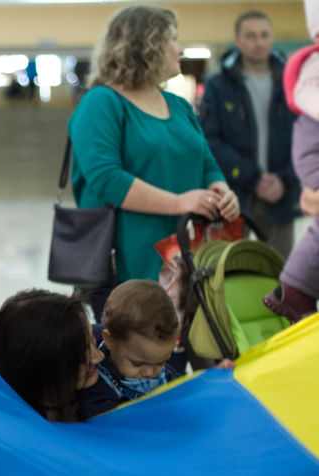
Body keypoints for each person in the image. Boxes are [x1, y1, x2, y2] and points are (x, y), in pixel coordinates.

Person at [68, 5, 239, 317]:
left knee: (192, 350)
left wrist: (221, 191)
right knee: (141, 357)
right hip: (128, 258)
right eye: (173, 39)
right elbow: (106, 179)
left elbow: (206, 162)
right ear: (145, 45)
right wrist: (180, 202)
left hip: (187, 254)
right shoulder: (102, 102)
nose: (180, 48)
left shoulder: (178, 106)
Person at [199, 11, 300, 259]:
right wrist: (253, 178)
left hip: (282, 194)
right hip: (235, 196)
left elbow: (305, 137)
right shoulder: (219, 85)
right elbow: (210, 140)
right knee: (231, 269)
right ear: (238, 39)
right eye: (251, 36)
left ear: (272, 37)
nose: (259, 42)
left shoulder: (292, 82)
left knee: (282, 273)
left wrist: (283, 180)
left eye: (264, 35)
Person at [263, 1, 319, 323]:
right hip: (313, 152)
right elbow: (308, 96)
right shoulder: (314, 64)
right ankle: (296, 287)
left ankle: (296, 287)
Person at [0, 289, 105, 423]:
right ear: (42, 367)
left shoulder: (109, 341)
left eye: (92, 341)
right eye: (82, 358)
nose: (99, 357)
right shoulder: (16, 424)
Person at [76, 280, 183, 419]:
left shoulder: (159, 370)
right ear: (110, 340)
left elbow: (185, 395)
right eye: (137, 364)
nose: (150, 373)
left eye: (161, 362)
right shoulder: (97, 390)